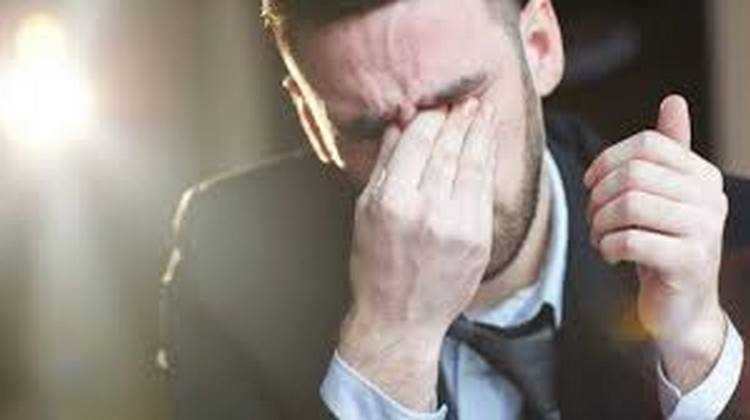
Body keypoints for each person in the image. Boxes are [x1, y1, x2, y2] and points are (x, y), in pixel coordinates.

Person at [162, 0, 750, 418]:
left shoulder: (733, 240)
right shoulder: (229, 266)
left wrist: (698, 355)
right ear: (312, 121)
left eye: (455, 101)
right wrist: (389, 346)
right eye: (366, 128)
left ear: (540, 48)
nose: (423, 161)